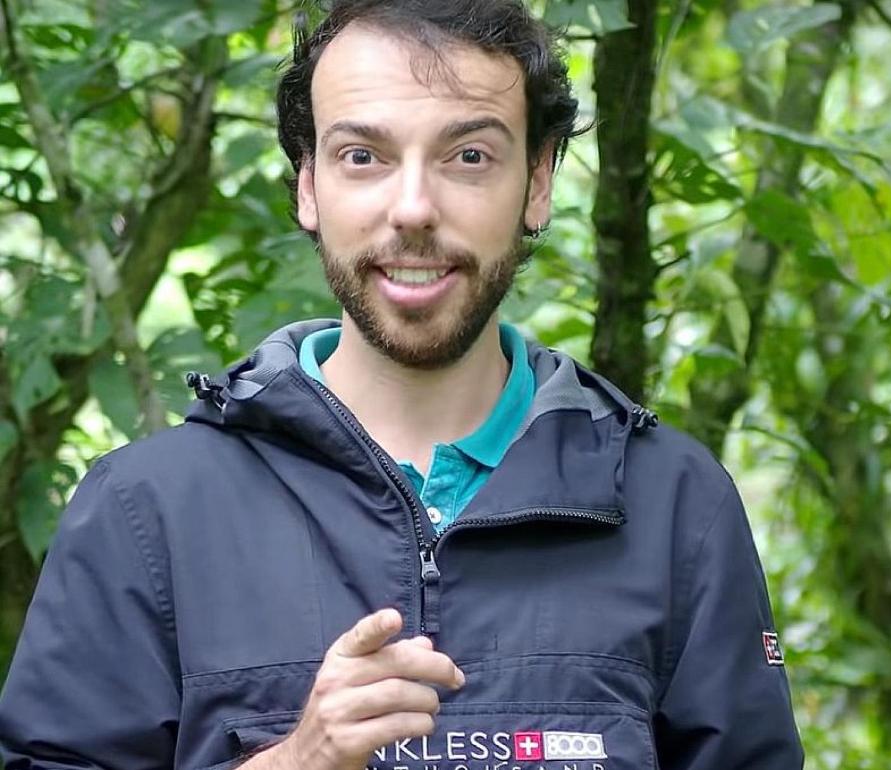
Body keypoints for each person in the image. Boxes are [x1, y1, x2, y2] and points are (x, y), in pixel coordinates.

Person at [0, 1, 803, 767]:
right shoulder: (146, 513)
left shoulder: (676, 505)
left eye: (469, 156)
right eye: (363, 156)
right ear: (309, 185)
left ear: (539, 182)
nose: (413, 208)